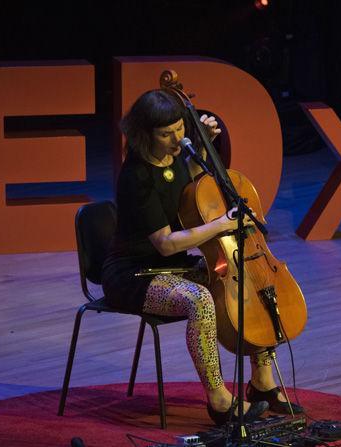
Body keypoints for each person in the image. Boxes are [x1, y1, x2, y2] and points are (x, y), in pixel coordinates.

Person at [101, 89, 303, 425]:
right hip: (133, 275)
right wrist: (222, 224)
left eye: (180, 128)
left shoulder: (175, 157)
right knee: (200, 300)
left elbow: (190, 192)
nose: (176, 138)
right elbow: (166, 244)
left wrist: (204, 144)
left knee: (248, 283)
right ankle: (220, 400)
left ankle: (263, 382)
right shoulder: (136, 176)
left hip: (171, 268)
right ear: (143, 135)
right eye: (166, 134)